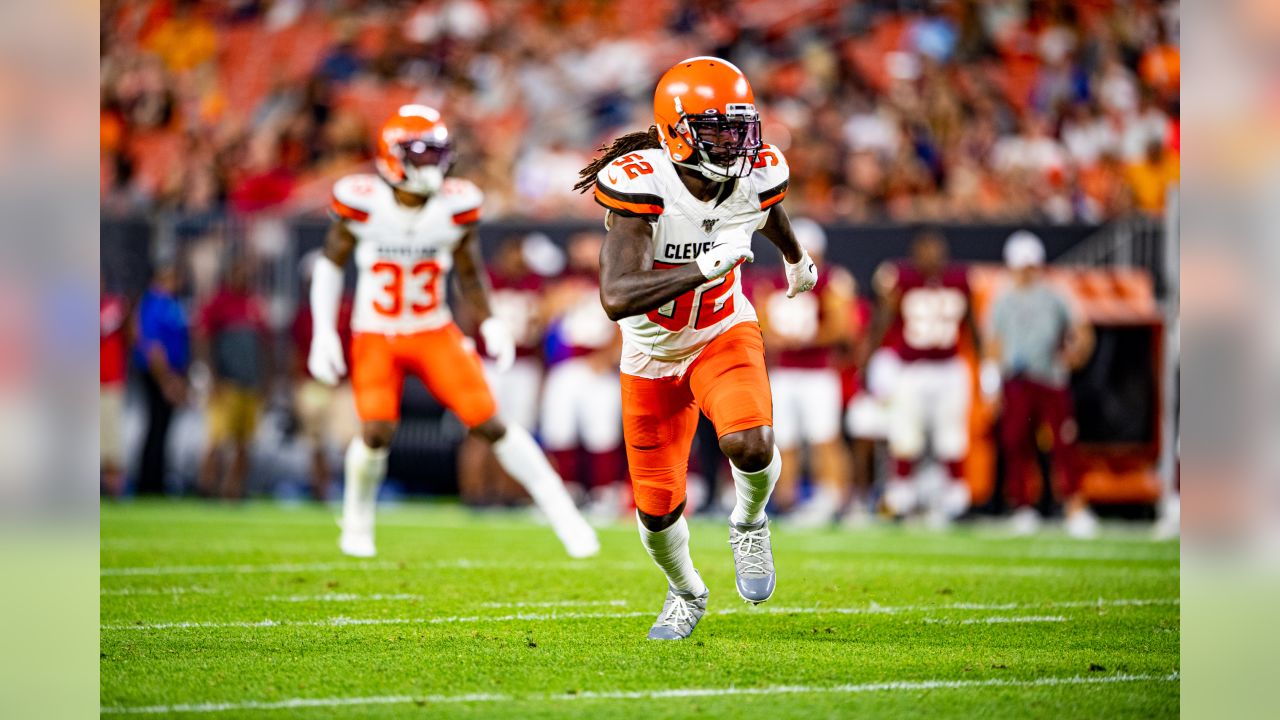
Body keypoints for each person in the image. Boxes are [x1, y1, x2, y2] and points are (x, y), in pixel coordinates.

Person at [576, 57, 818, 640]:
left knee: (750, 440)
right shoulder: (641, 185)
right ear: (676, 131)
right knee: (657, 512)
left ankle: (750, 522)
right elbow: (615, 296)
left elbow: (766, 207)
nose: (735, 144)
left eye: (740, 127)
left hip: (720, 332)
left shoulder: (755, 170)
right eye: (717, 130)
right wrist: (704, 267)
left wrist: (795, 257)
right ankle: (686, 591)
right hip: (651, 357)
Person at [308, 104, 598, 558]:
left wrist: (491, 323)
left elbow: (469, 272)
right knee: (376, 432)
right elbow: (330, 262)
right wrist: (323, 331)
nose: (431, 164)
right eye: (421, 154)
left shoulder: (456, 203)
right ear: (393, 157)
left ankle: (564, 515)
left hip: (431, 329)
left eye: (436, 153)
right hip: (377, 332)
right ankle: (358, 521)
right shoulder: (363, 200)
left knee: (490, 421)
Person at [985, 231, 1097, 538]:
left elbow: (1081, 328)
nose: (1026, 272)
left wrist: (1077, 353)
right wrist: (991, 384)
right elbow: (994, 342)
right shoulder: (1003, 297)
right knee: (1015, 442)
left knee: (1064, 443)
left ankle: (1075, 507)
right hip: (1017, 379)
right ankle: (1023, 507)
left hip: (1050, 377)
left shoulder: (1054, 293)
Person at [868, 230, 980, 523]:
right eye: (925, 250)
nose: (931, 256)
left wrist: (984, 363)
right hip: (912, 368)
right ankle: (902, 495)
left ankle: (956, 497)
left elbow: (971, 324)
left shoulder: (959, 279)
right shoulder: (902, 278)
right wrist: (874, 357)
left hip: (949, 367)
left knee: (951, 434)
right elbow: (885, 318)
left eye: (936, 250)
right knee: (905, 432)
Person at [753, 218, 854, 526]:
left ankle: (835, 499)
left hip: (818, 372)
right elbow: (760, 325)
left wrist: (808, 338)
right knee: (786, 441)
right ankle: (787, 502)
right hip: (785, 373)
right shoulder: (770, 283)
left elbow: (844, 327)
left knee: (825, 437)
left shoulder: (832, 281)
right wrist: (775, 337)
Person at [540, 231, 625, 519]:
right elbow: (542, 319)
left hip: (598, 366)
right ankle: (566, 494)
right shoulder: (563, 283)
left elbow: (630, 325)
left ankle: (603, 495)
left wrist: (608, 356)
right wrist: (557, 301)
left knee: (600, 432)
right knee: (558, 430)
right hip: (565, 365)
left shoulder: (617, 281)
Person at [194, 259, 272, 500]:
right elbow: (203, 340)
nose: (245, 279)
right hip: (226, 382)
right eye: (240, 273)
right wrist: (212, 376)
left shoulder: (255, 303)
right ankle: (207, 486)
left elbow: (264, 345)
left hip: (250, 382)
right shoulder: (218, 302)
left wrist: (266, 380)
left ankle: (234, 490)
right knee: (217, 439)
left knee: (243, 442)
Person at [292, 250, 358, 502]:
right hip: (314, 384)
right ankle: (321, 489)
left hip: (343, 383)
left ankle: (352, 491)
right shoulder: (304, 314)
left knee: (350, 440)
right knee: (315, 442)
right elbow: (295, 353)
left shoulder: (347, 307)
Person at [133, 263, 190, 496]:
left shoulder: (172, 303)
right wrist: (166, 380)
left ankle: (157, 479)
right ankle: (148, 483)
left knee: (163, 428)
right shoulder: (154, 303)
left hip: (172, 372)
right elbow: (153, 346)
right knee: (156, 426)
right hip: (158, 373)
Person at [100, 278, 131, 497]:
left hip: (110, 381)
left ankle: (113, 491)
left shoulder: (115, 306)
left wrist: (130, 315)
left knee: (111, 440)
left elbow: (131, 338)